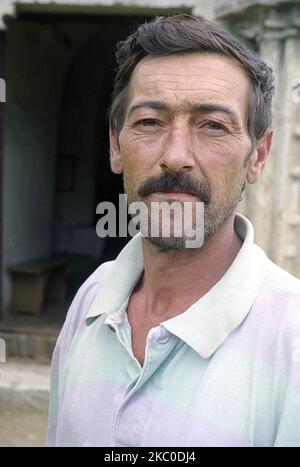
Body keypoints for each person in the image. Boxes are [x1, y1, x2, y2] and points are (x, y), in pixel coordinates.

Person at [47, 14, 300, 447]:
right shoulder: (91, 301)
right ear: (115, 146)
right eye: (149, 122)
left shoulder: (291, 342)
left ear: (258, 155)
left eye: (213, 125)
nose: (176, 156)